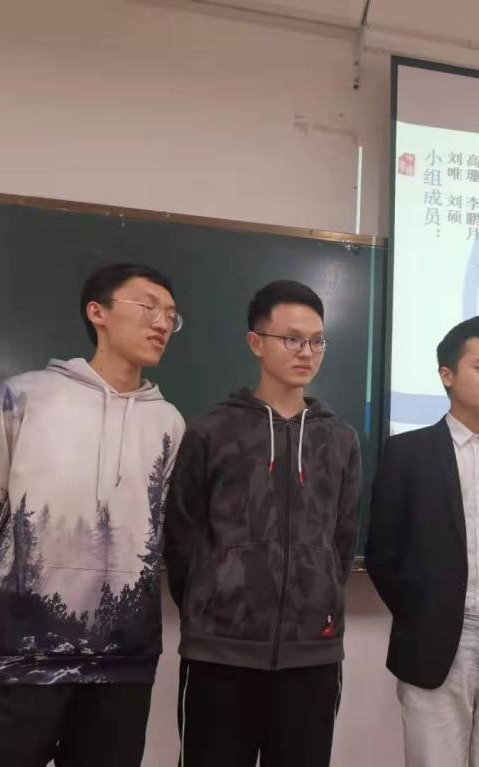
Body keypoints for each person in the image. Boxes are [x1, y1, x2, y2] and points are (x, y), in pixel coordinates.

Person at [0, 263, 186, 766]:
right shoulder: (25, 396)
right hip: (18, 659)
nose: (162, 323)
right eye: (148, 307)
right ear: (98, 312)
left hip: (123, 665)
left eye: (171, 315)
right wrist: (13, 604)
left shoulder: (168, 422)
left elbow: (162, 534)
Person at [165, 279, 362, 767]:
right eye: (291, 339)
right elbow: (182, 536)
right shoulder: (211, 430)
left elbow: (342, 540)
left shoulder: (340, 440)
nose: (306, 352)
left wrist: (317, 600)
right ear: (256, 342)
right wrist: (216, 601)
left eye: (317, 341)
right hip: (220, 656)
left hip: (312, 658)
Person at [366, 314, 479, 767]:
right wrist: (422, 612)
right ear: (447, 375)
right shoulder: (408, 453)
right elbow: (383, 554)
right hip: (438, 640)